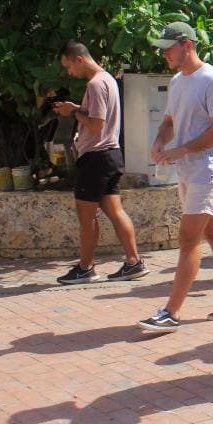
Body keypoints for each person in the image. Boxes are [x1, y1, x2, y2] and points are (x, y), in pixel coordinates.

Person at [138, 22, 213, 332]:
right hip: (188, 169)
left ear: (187, 45)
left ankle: (171, 311)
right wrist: (160, 140)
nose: (164, 54)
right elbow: (170, 120)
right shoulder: (177, 81)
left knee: (189, 238)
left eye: (168, 48)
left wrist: (182, 150)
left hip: (208, 170)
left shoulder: (212, 80)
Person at [53, 41, 146, 285]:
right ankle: (133, 262)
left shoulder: (95, 84)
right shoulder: (108, 80)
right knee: (115, 211)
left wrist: (73, 113)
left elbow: (96, 123)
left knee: (86, 216)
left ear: (79, 59)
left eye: (68, 66)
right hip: (111, 154)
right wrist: (76, 107)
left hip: (95, 156)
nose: (68, 72)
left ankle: (85, 268)